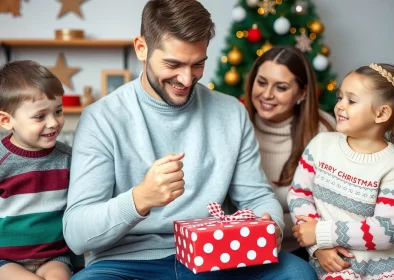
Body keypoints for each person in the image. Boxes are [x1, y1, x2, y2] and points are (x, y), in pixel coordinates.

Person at [63, 0, 317, 279]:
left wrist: (272, 225)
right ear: (141, 48)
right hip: (126, 262)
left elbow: (257, 197)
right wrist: (140, 199)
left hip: (216, 255)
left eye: (198, 64)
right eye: (173, 64)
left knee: (297, 273)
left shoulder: (231, 112)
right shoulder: (101, 119)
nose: (186, 78)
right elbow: (77, 234)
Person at [287, 63, 394, 279]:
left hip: (385, 270)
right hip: (336, 265)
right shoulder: (321, 145)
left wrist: (321, 233)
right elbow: (299, 195)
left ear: (382, 113)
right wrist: (318, 247)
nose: (340, 105)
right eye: (340, 98)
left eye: (351, 100)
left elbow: (386, 230)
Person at [243, 46, 335, 259]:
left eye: (281, 87)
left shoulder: (323, 131)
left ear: (302, 93)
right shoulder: (238, 125)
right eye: (262, 82)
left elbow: (331, 209)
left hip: (310, 248)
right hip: (245, 247)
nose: (266, 95)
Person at [0, 60, 72, 280]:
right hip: (5, 259)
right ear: (6, 120)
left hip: (53, 257)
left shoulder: (69, 158)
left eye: (58, 111)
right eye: (40, 116)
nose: (53, 123)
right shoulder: (3, 159)